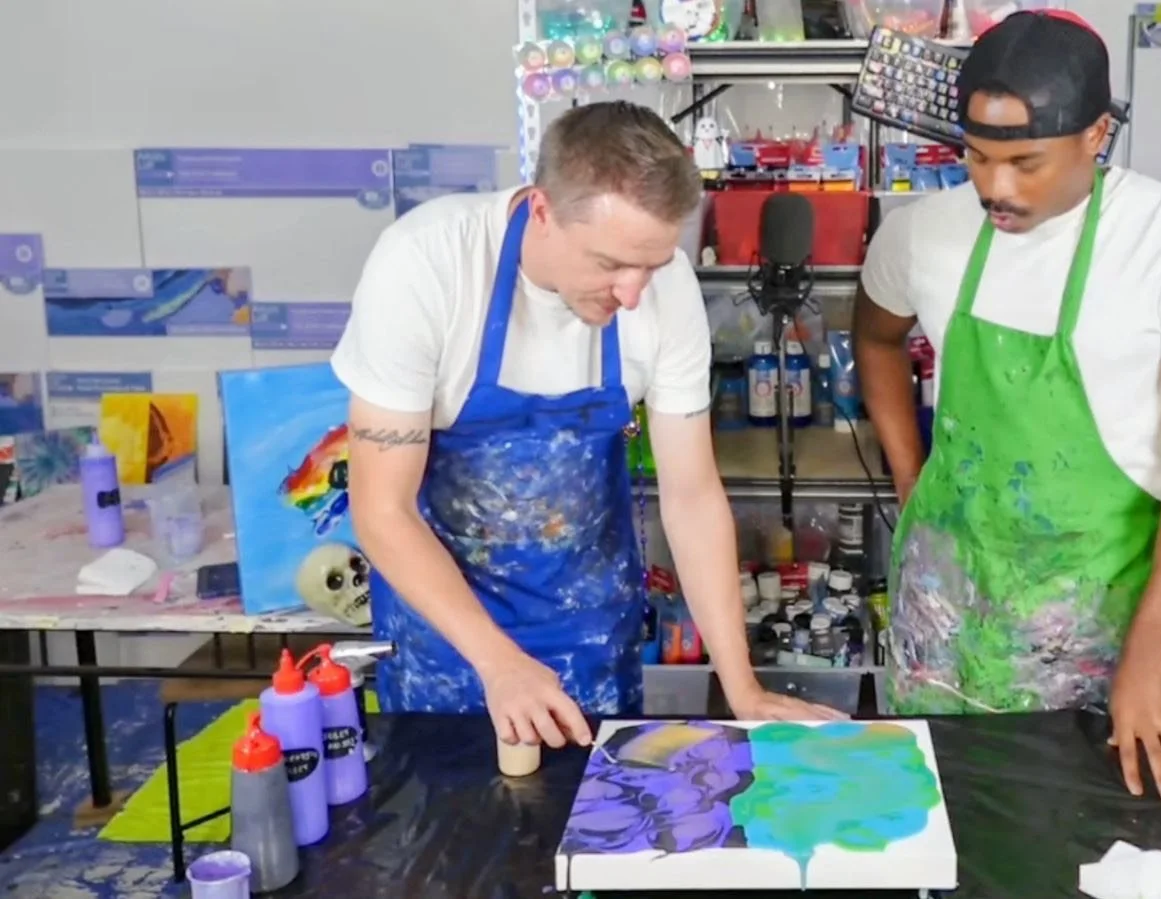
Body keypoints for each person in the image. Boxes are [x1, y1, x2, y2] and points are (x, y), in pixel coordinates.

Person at [332, 101, 842, 750]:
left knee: (599, 804)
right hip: (446, 638)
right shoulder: (427, 266)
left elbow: (691, 495)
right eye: (609, 264)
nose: (632, 293)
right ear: (542, 210)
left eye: (651, 265)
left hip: (592, 634)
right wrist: (498, 662)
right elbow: (382, 509)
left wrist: (740, 687)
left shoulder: (666, 290)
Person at [854, 11, 1161, 802]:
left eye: (1025, 162)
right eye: (977, 156)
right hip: (941, 621)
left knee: (1070, 828)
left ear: (1096, 135)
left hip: (1092, 626)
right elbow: (875, 338)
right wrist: (913, 479)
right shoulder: (924, 236)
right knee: (937, 824)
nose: (995, 188)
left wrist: (1149, 652)